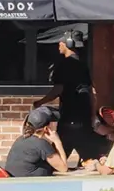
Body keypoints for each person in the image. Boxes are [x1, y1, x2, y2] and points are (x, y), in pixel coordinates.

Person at [34, 29, 108, 162]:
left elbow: (58, 89)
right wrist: (92, 116)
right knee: (90, 160)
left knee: (57, 159)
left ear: (67, 43)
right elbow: (92, 93)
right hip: (84, 120)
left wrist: (40, 102)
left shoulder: (63, 65)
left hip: (69, 119)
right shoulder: (84, 66)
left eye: (61, 43)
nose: (59, 45)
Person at [4, 106, 69, 177]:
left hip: (16, 182)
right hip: (32, 185)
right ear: (46, 128)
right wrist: (57, 142)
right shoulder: (41, 144)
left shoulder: (21, 139)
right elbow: (63, 168)